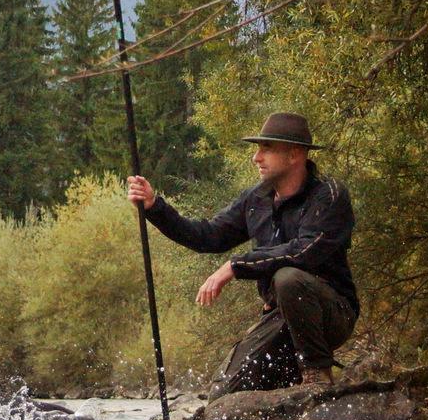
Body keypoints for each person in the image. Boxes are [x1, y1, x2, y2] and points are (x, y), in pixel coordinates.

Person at [126, 112, 357, 395]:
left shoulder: (329, 196)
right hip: (280, 318)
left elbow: (304, 252)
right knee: (225, 395)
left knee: (288, 278)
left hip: (332, 314)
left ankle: (317, 376)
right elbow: (207, 236)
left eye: (266, 149)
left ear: (295, 154)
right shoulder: (255, 199)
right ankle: (287, 385)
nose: (256, 157)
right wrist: (154, 207)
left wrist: (235, 266)